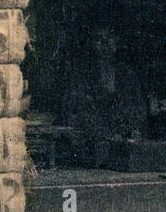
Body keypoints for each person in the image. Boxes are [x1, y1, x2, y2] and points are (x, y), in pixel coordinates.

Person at [60, 26, 146, 166]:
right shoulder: (81, 75)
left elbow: (138, 108)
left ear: (117, 42)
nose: (105, 44)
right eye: (99, 39)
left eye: (109, 38)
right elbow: (77, 113)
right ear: (92, 44)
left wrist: (134, 130)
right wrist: (105, 135)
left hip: (124, 147)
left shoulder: (127, 74)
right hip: (92, 150)